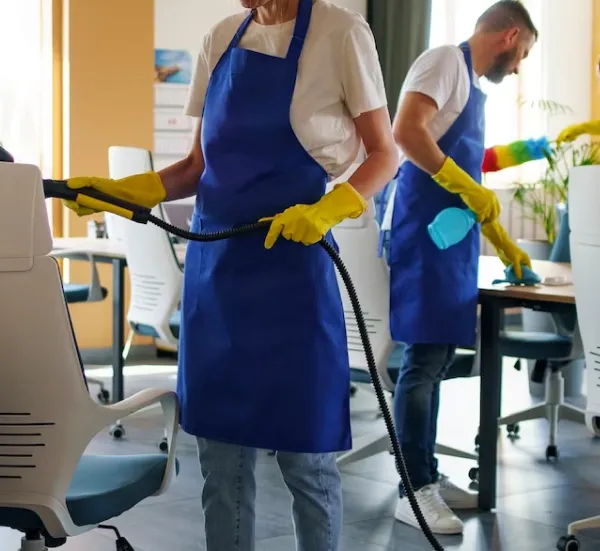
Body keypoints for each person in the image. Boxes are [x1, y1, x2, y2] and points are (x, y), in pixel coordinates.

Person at [62, 0, 398, 549]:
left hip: (294, 272)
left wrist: (332, 209)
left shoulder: (342, 32)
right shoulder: (220, 37)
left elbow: (385, 154)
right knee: (221, 465)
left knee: (307, 462)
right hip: (216, 281)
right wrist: (127, 190)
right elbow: (197, 167)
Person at [388, 0, 538, 535]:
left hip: (450, 239)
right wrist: (466, 185)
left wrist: (502, 238)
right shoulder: (444, 62)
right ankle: (412, 489)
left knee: (438, 356)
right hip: (425, 232)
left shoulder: (468, 83)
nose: (518, 66)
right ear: (510, 34)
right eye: (522, 54)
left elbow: (471, 162)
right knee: (422, 360)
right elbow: (407, 132)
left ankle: (425, 475)